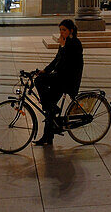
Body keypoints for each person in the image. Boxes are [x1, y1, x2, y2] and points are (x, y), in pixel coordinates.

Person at [33, 18, 84, 146]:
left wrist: (62, 47)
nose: (61, 32)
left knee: (39, 81)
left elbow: (64, 64)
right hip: (60, 77)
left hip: (67, 80)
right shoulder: (66, 42)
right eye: (60, 30)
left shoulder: (75, 44)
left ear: (71, 30)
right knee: (49, 106)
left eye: (64, 30)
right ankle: (47, 137)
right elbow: (56, 60)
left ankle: (49, 107)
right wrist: (45, 70)